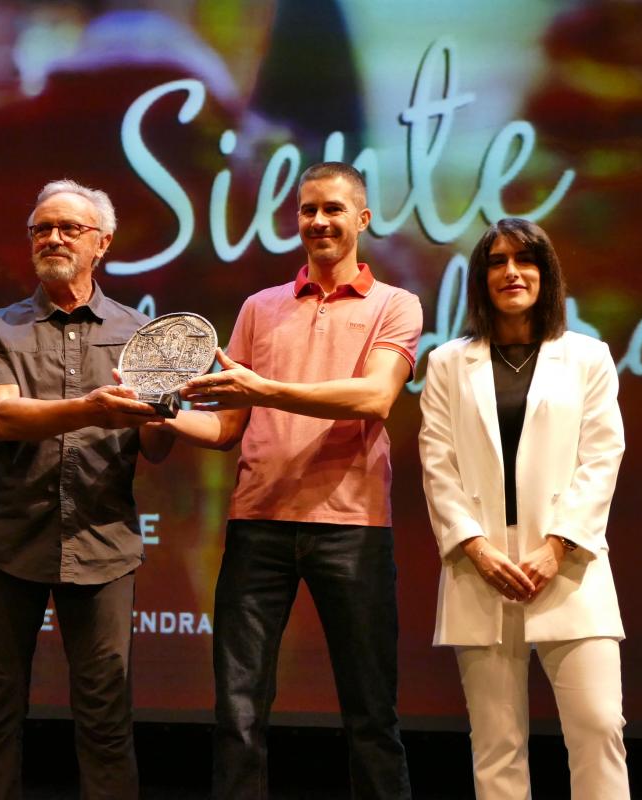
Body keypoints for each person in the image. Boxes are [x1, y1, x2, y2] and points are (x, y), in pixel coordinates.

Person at [161, 162, 421, 799]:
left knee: (370, 713)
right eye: (308, 210)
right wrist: (159, 412)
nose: (318, 221)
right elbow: (226, 429)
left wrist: (267, 389)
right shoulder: (260, 307)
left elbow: (374, 398)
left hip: (351, 530)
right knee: (240, 711)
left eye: (333, 209)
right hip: (258, 528)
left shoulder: (396, 304)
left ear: (362, 219)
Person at [0, 179, 171, 800]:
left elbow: (158, 449)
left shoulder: (142, 333)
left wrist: (167, 406)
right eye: (40, 229)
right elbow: (2, 416)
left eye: (68, 229)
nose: (52, 238)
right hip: (6, 547)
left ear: (102, 243)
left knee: (106, 722)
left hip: (104, 547)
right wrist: (92, 408)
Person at [418, 217, 630, 799]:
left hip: (566, 562)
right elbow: (438, 466)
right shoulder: (445, 363)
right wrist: (477, 548)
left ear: (546, 273)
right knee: (496, 744)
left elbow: (602, 457)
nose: (511, 272)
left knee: (598, 728)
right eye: (497, 261)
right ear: (481, 278)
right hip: (480, 566)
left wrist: (556, 546)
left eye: (526, 259)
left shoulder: (588, 357)